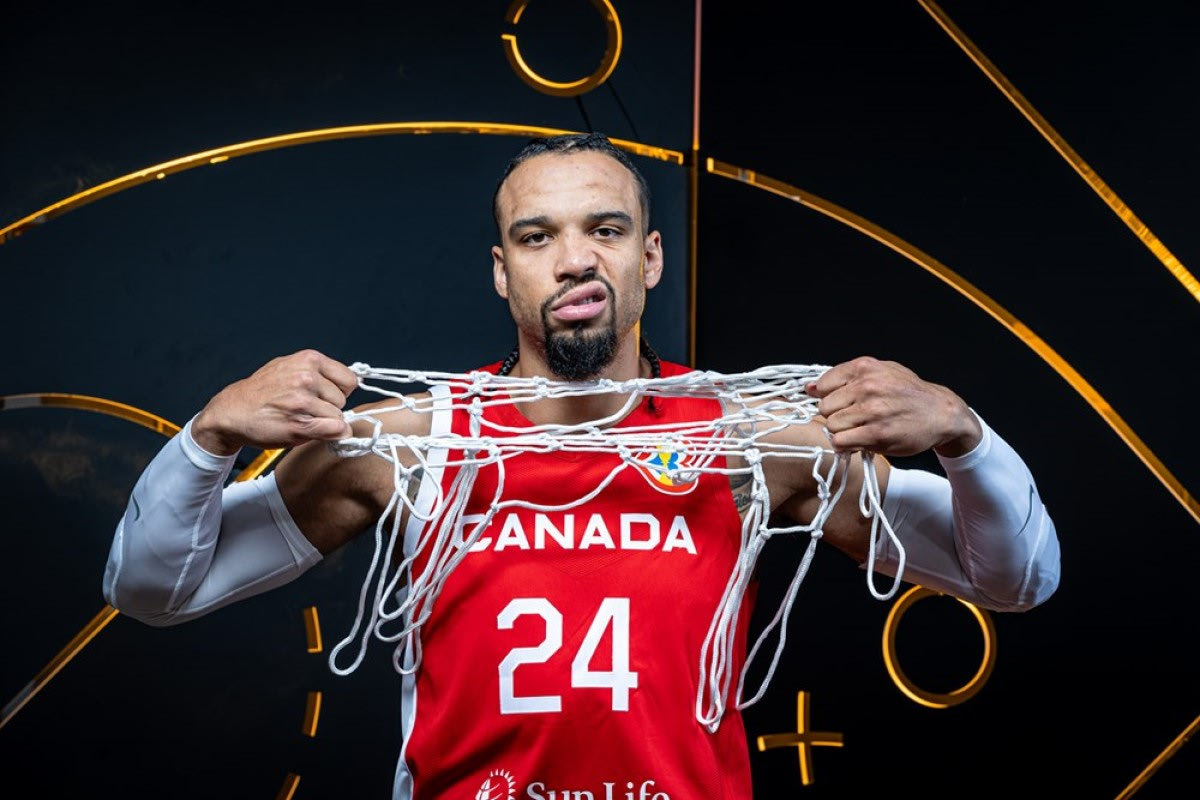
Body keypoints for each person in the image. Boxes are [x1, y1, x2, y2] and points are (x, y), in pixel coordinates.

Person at [102, 132, 1060, 799]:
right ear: (501, 270)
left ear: (649, 258)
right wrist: (209, 436)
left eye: (605, 230)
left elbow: (1016, 579)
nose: (574, 260)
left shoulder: (750, 441)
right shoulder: (413, 443)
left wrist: (962, 431)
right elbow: (149, 590)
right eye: (537, 236)